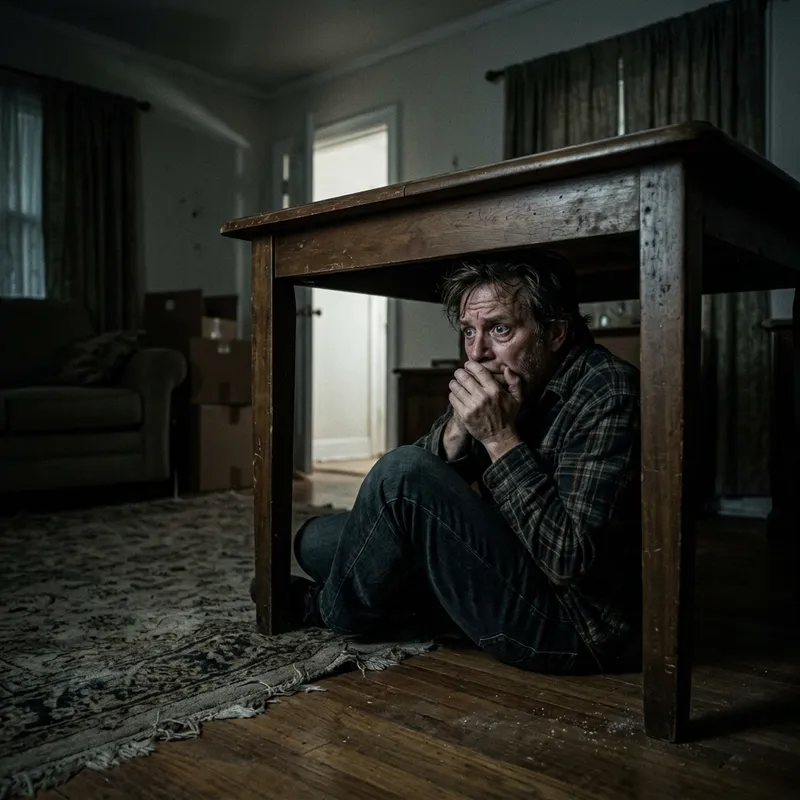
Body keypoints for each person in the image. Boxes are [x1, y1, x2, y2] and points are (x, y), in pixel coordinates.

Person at [284, 252, 642, 674]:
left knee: (400, 474)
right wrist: (459, 428)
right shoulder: (511, 378)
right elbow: (407, 498)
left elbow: (571, 561)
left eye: (500, 329)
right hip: (506, 560)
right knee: (313, 541)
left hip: (567, 624)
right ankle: (416, 609)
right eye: (469, 331)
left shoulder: (608, 390)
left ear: (556, 332)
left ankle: (334, 613)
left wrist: (499, 436)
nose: (477, 352)